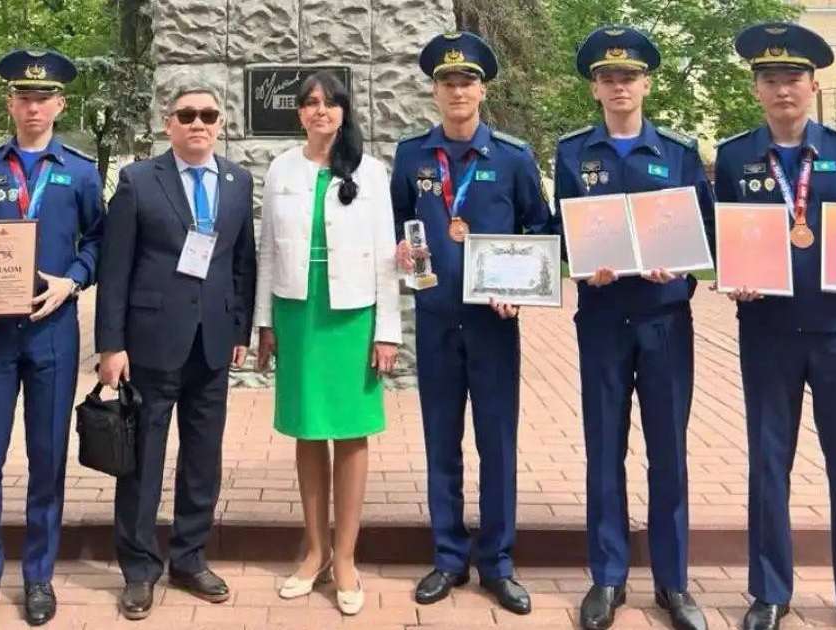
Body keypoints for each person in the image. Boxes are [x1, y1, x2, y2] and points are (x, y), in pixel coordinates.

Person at [715, 22, 836, 630]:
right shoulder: (735, 157)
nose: (782, 89)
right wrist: (733, 275)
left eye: (793, 77)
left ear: (814, 85)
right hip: (767, 330)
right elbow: (725, 235)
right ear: (756, 90)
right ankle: (770, 593)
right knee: (769, 463)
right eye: (770, 79)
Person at [553, 26, 714, 630]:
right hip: (601, 319)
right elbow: (563, 231)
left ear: (646, 84)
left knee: (668, 452)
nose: (619, 86)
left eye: (629, 76)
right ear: (594, 88)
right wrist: (579, 263)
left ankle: (673, 582)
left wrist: (684, 265)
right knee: (604, 449)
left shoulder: (678, 151)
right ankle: (608, 576)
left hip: (664, 319)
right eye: (607, 77)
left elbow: (706, 231)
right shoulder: (573, 154)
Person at [0, 49, 105, 629]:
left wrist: (73, 280)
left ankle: (38, 577)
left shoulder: (80, 171)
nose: (34, 107)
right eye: (24, 97)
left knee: (47, 458)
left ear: (60, 105)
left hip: (52, 333)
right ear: (10, 103)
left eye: (44, 98)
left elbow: (99, 241)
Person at [390, 31, 551, 614]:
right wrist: (400, 250)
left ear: (483, 91)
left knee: (497, 442)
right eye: (447, 83)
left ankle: (498, 563)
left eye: (467, 82)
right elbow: (399, 221)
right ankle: (448, 557)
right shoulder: (412, 156)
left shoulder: (512, 157)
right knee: (441, 441)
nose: (457, 91)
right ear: (434, 92)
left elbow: (540, 229)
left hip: (493, 325)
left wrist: (520, 288)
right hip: (435, 320)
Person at [95, 85, 257, 621]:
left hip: (212, 345)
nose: (198, 123)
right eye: (187, 115)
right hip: (150, 344)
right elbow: (115, 268)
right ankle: (139, 569)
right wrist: (111, 345)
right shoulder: (139, 181)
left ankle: (189, 558)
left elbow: (243, 261)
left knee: (203, 460)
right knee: (143, 460)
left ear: (220, 123)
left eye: (208, 115)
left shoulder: (236, 181)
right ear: (169, 124)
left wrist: (239, 329)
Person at [254, 71, 401, 616]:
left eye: (331, 102)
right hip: (298, 310)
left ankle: (345, 558)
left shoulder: (371, 171)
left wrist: (387, 330)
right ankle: (314, 551)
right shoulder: (281, 168)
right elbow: (268, 249)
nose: (321, 111)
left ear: (344, 111)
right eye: (311, 103)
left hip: (352, 313)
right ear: (299, 113)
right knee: (309, 427)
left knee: (352, 430)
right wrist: (264, 322)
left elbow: (387, 254)